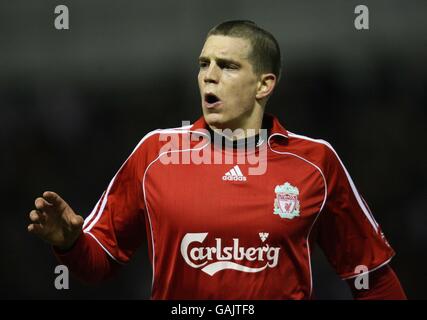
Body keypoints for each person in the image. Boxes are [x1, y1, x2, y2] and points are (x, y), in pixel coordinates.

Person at [28, 20, 406, 299]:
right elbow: (101, 264)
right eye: (203, 64)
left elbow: (372, 278)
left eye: (227, 66)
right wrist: (71, 244)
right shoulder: (156, 154)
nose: (209, 77)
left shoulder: (315, 162)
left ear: (264, 84)